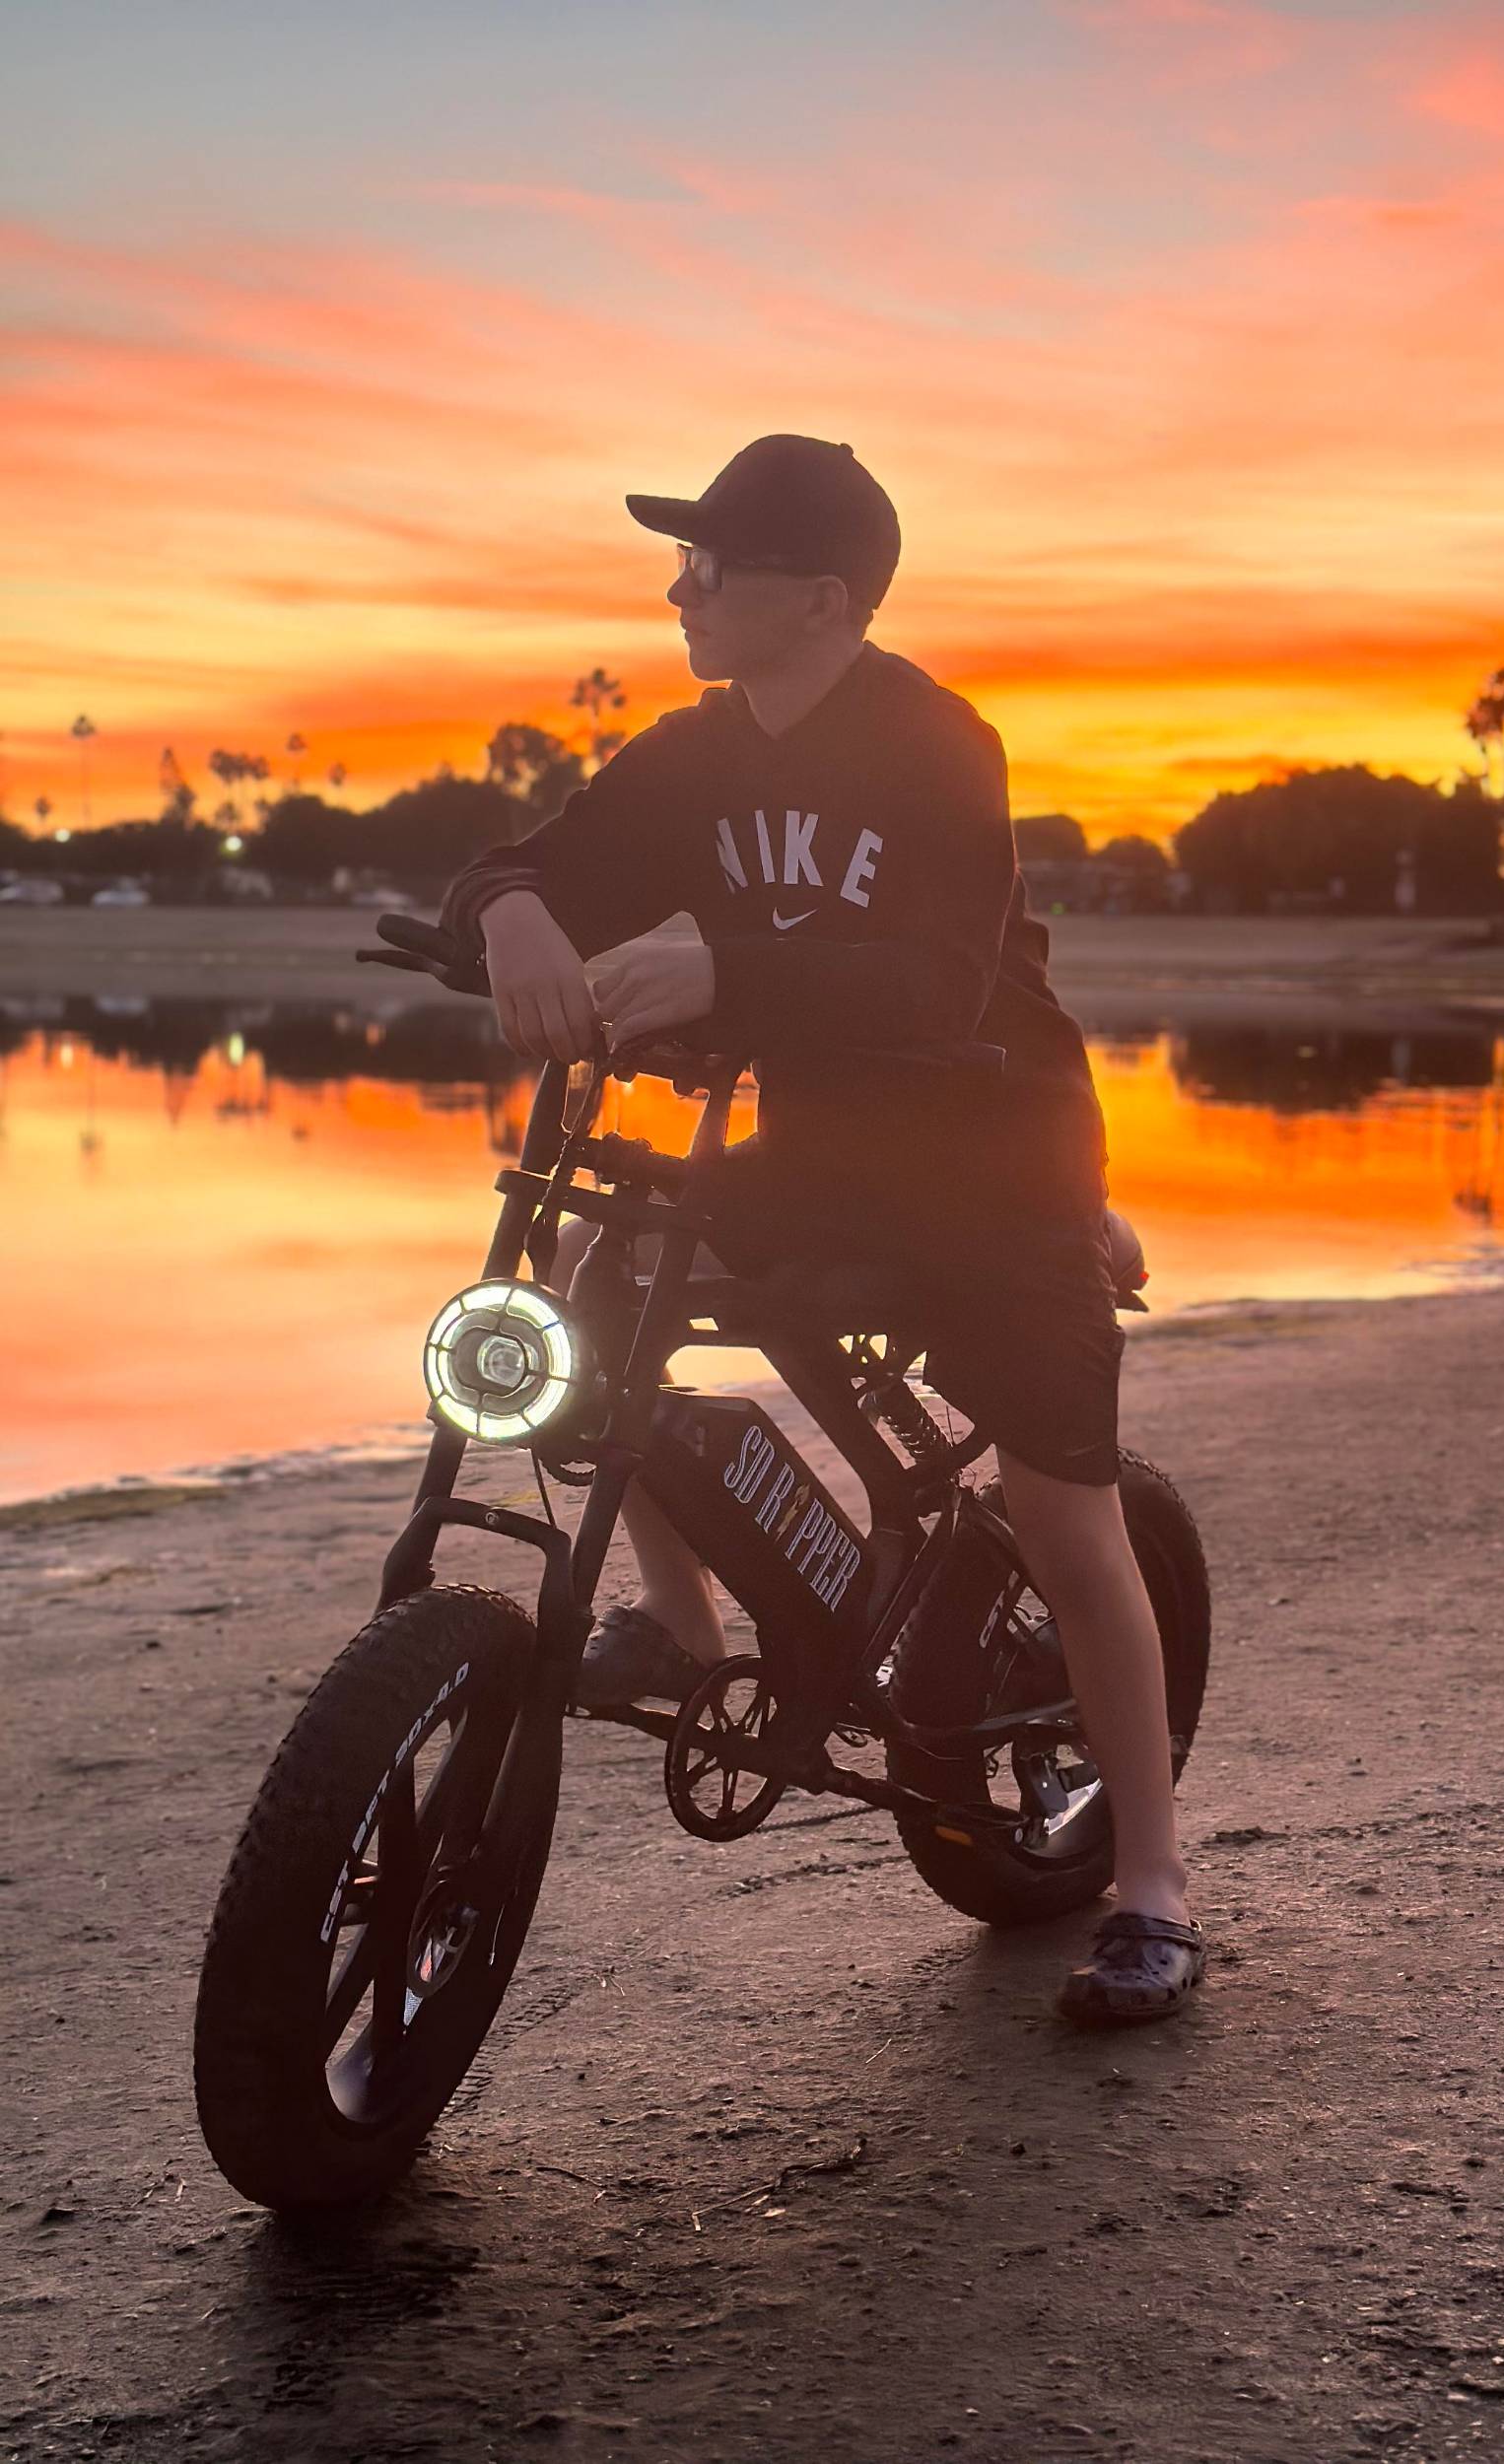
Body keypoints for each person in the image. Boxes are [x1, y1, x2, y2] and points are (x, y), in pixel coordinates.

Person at [437, 435, 1203, 2025]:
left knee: (1067, 1528)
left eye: (709, 568)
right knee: (605, 1264)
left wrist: (722, 968)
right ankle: (680, 1617)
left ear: (821, 600)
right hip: (826, 1157)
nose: (678, 589)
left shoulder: (937, 748)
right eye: (683, 561)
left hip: (999, 1176)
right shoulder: (698, 755)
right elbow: (546, 862)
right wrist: (511, 910)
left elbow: (927, 981)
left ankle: (1150, 1886)